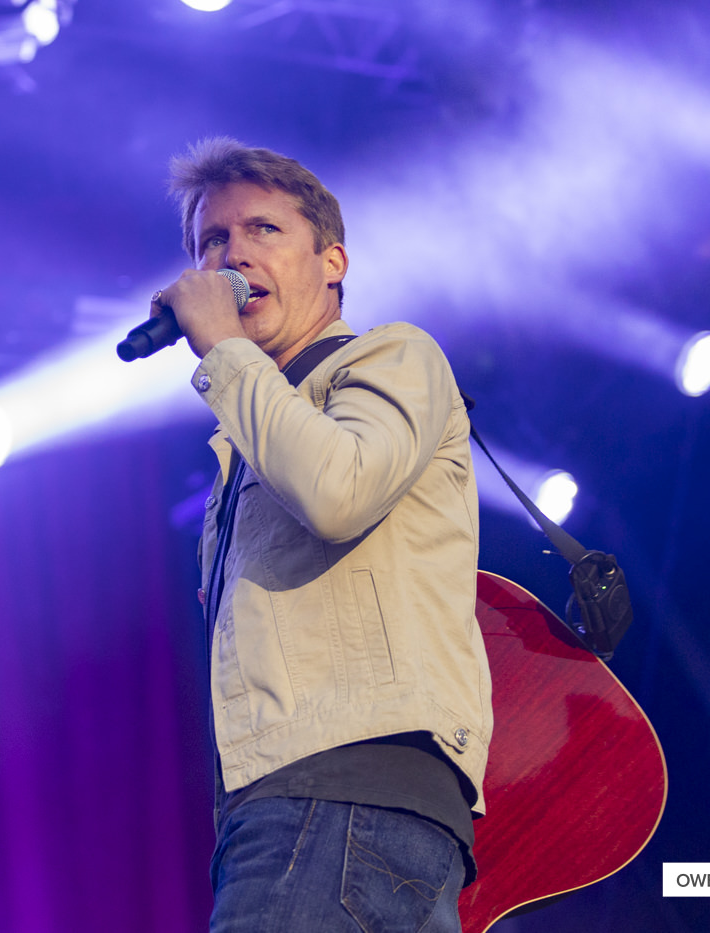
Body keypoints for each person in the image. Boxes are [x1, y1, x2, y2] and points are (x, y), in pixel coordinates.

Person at [152, 137, 492, 933]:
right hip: (300, 807)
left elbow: (338, 493)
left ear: (332, 262)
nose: (233, 254)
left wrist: (225, 351)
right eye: (212, 239)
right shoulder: (249, 438)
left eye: (263, 229)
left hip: (338, 795)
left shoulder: (392, 354)